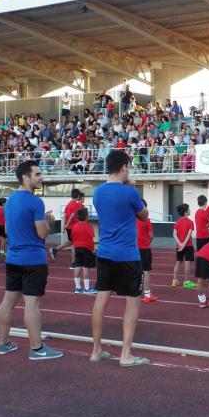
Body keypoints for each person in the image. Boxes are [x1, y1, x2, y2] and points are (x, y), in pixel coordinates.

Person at [0, 160, 62, 360]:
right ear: (25, 177)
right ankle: (36, 348)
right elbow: (42, 233)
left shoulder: (9, 201)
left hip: (13, 257)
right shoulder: (35, 201)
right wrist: (48, 223)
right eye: (38, 174)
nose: (41, 177)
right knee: (32, 304)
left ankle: (3, 343)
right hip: (33, 259)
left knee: (8, 301)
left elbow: (9, 231)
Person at [90, 150, 150, 366]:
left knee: (100, 301)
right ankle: (125, 355)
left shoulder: (97, 192)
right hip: (127, 255)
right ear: (124, 167)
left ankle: (96, 350)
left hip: (104, 252)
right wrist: (131, 188)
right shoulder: (129, 192)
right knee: (132, 304)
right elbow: (144, 215)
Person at [49, 188, 83, 269]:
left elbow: (65, 215)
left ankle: (55, 249)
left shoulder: (68, 204)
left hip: (69, 227)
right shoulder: (75, 205)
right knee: (74, 245)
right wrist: (67, 224)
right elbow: (72, 216)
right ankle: (73, 263)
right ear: (78, 196)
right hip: (73, 227)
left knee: (70, 242)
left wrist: (64, 226)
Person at [70, 208, 97, 295]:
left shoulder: (75, 226)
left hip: (77, 248)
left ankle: (77, 288)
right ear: (86, 217)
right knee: (86, 268)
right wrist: (92, 249)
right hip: (86, 248)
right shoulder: (89, 227)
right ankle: (87, 288)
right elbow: (90, 239)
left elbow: (73, 237)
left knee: (77, 266)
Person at [137, 199, 157, 303]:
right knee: (145, 271)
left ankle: (134, 292)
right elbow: (151, 235)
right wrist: (147, 242)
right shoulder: (146, 220)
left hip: (133, 249)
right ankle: (147, 295)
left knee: (134, 271)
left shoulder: (131, 220)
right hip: (144, 248)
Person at [172, 203, 196, 289]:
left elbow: (174, 234)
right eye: (189, 209)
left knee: (178, 262)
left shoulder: (177, 222)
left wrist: (180, 244)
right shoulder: (190, 222)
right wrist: (184, 245)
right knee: (187, 264)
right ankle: (186, 281)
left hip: (179, 246)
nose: (190, 210)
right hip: (188, 246)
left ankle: (174, 280)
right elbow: (189, 235)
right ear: (186, 212)